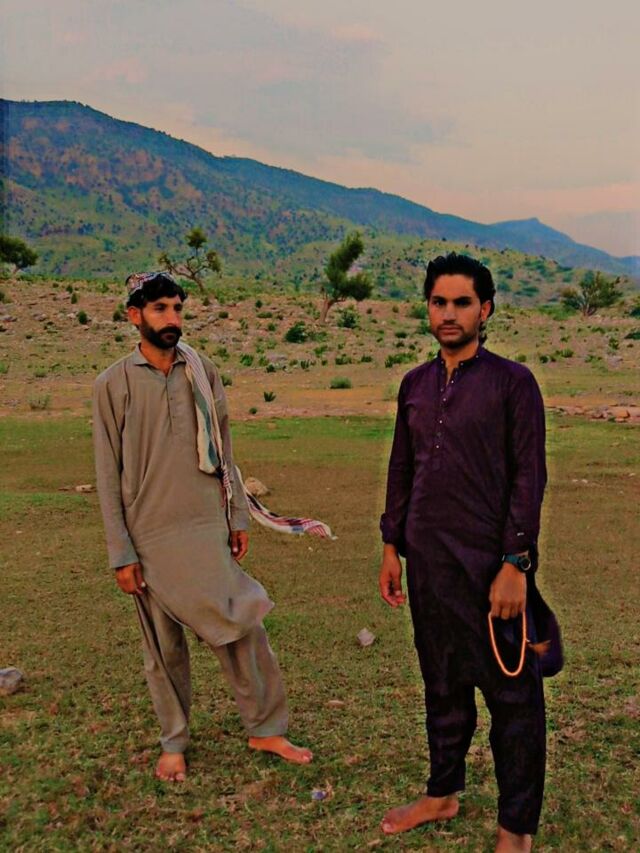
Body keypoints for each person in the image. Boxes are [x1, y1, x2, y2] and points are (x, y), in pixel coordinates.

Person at [92, 271, 312, 783]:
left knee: (242, 622)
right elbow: (107, 473)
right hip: (148, 533)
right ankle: (174, 741)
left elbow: (224, 449)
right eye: (160, 309)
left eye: (177, 308)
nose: (172, 318)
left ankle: (266, 727)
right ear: (134, 316)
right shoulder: (112, 384)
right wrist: (121, 553)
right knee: (163, 645)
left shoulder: (201, 369)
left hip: (205, 522)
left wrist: (237, 515)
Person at [378, 253, 547, 852]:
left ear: (486, 309)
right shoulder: (415, 385)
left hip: (491, 571)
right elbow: (402, 469)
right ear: (428, 308)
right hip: (429, 567)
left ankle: (516, 831)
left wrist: (515, 564)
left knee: (513, 699)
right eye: (438, 302)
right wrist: (391, 545)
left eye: (461, 303)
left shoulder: (512, 383)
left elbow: (529, 478)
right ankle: (442, 794)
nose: (449, 314)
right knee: (442, 685)